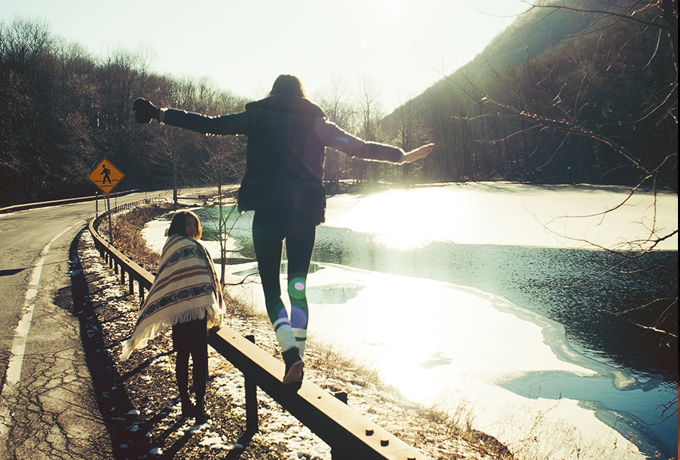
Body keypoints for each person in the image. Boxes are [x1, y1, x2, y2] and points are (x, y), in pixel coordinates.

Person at [133, 74, 433, 387]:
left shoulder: (259, 117)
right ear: (302, 96)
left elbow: (213, 124)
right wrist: (403, 156)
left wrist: (159, 114)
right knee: (298, 287)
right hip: (303, 212)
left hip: (268, 210)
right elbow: (359, 148)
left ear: (274, 93)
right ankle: (297, 356)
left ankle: (292, 357)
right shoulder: (317, 124)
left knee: (273, 291)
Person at [120, 211, 223, 422]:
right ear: (178, 226)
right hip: (188, 314)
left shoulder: (176, 245)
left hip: (189, 312)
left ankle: (193, 403)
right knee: (194, 358)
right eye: (188, 225)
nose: (192, 229)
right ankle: (193, 405)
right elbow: (171, 277)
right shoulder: (184, 246)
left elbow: (194, 276)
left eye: (194, 225)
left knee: (189, 358)